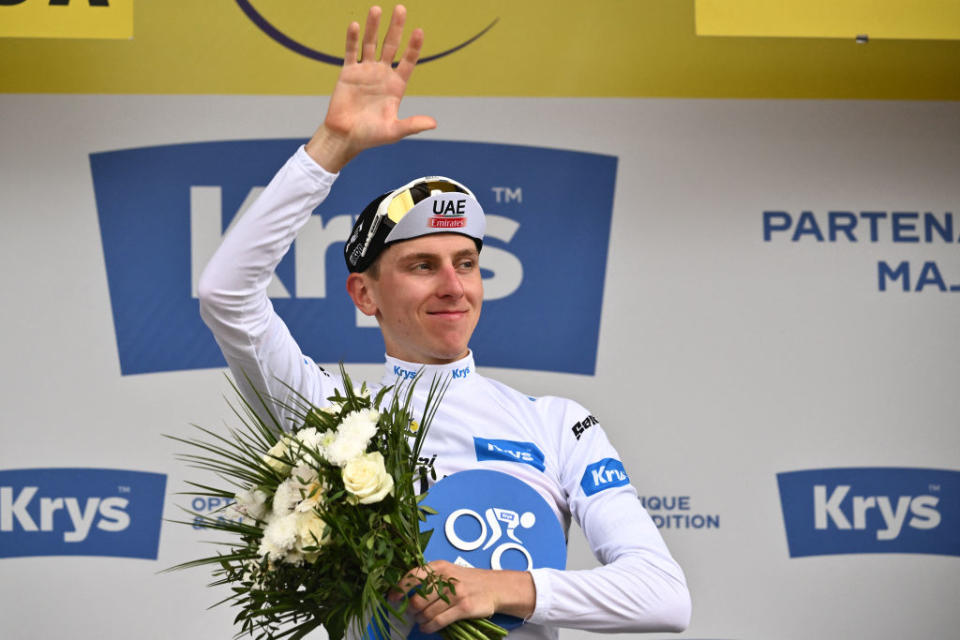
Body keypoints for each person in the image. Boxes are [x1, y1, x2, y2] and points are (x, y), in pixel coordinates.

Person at [198, 5, 690, 638]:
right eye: (423, 265)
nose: (454, 286)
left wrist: (502, 588)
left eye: (467, 263)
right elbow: (225, 293)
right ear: (364, 293)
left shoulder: (558, 424)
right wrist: (331, 148)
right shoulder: (327, 412)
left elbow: (665, 596)